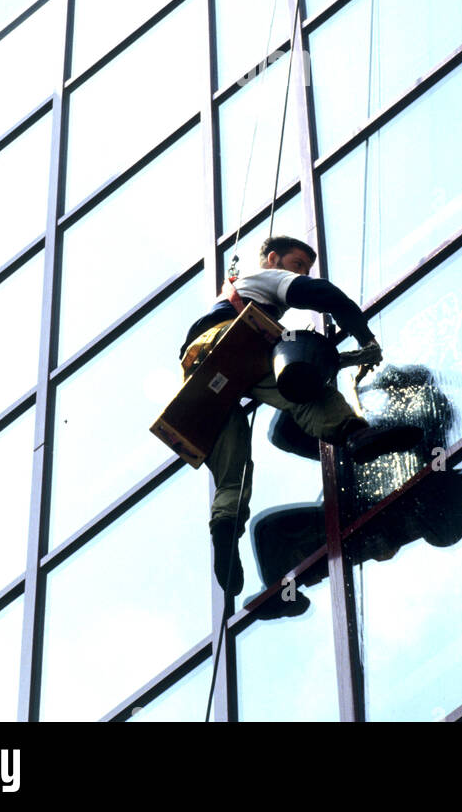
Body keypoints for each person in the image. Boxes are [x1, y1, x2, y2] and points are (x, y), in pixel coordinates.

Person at [180, 234, 421, 596]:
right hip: (231, 343)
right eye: (297, 265)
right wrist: (364, 337)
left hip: (200, 372)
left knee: (234, 471)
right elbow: (325, 295)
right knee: (305, 392)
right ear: (273, 259)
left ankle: (225, 533)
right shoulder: (263, 278)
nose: (302, 273)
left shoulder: (240, 298)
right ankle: (356, 435)